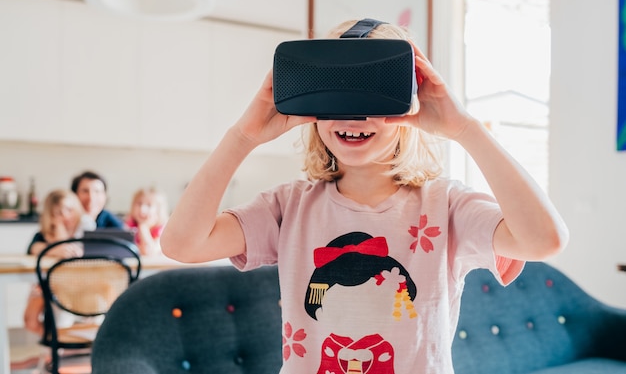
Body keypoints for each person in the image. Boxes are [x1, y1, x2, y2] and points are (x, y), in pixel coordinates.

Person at [160, 19, 569, 374]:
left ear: (409, 105)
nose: (352, 116)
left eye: (371, 94)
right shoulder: (289, 208)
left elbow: (544, 239)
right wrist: (243, 137)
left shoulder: (446, 208)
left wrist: (464, 128)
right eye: (335, 95)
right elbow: (181, 243)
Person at [23, 189, 96, 335]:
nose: (66, 216)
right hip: (50, 288)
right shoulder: (44, 235)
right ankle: (57, 343)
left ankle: (61, 345)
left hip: (83, 287)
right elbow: (33, 247)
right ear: (50, 216)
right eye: (58, 213)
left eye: (69, 210)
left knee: (64, 319)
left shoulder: (86, 229)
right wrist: (54, 248)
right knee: (31, 319)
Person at [124, 187, 169, 256]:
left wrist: (143, 227)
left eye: (149, 205)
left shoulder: (162, 230)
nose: (142, 209)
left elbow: (148, 251)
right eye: (139, 204)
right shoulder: (129, 226)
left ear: (158, 210)